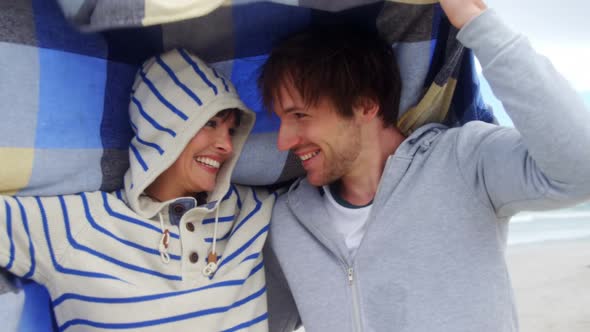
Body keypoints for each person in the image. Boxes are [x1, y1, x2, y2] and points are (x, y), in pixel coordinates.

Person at [258, 0, 590, 331]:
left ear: (364, 105)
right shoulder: (288, 222)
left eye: (300, 115)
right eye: (281, 120)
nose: (283, 141)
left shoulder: (464, 163)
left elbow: (580, 168)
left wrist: (477, 23)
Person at [0, 49, 276, 331]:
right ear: (163, 127)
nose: (227, 146)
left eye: (231, 130)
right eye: (210, 123)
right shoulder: (80, 224)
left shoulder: (252, 211)